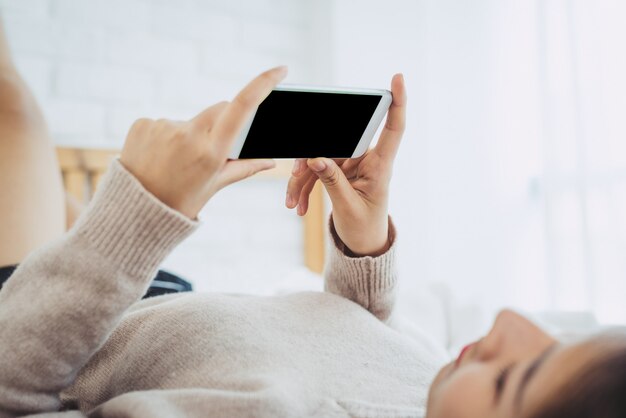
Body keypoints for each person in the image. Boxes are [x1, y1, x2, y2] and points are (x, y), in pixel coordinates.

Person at [0, 19, 624, 418]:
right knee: (60, 203)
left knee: (14, 112)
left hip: (43, 329)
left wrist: (138, 216)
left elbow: (13, 391)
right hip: (145, 303)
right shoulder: (444, 389)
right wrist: (364, 248)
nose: (514, 321)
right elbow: (361, 350)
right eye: (556, 342)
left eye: (520, 376)